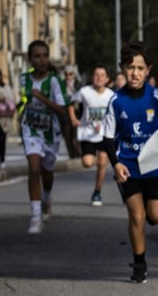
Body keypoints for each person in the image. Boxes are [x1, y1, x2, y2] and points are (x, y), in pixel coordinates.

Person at [105, 43, 158, 283]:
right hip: (127, 165)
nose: (135, 73)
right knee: (136, 216)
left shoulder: (156, 97)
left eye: (140, 68)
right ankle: (139, 264)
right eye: (130, 68)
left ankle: (150, 212)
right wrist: (115, 164)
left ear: (148, 70)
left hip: (152, 163)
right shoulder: (116, 101)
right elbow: (107, 138)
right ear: (122, 69)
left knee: (157, 217)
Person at [16, 41, 69, 235]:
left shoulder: (55, 81)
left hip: (50, 133)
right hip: (31, 130)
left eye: (45, 55)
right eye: (37, 56)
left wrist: (42, 99)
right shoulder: (24, 79)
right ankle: (35, 217)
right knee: (34, 168)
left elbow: (62, 110)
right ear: (30, 59)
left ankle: (46, 197)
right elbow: (24, 102)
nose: (42, 60)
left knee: (47, 172)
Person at [72, 66, 115, 205]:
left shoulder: (111, 95)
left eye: (102, 75)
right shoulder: (85, 92)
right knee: (87, 163)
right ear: (92, 77)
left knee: (102, 162)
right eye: (96, 75)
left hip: (104, 133)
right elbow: (71, 103)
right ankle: (95, 156)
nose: (99, 78)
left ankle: (97, 191)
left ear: (107, 79)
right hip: (88, 133)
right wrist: (73, 118)